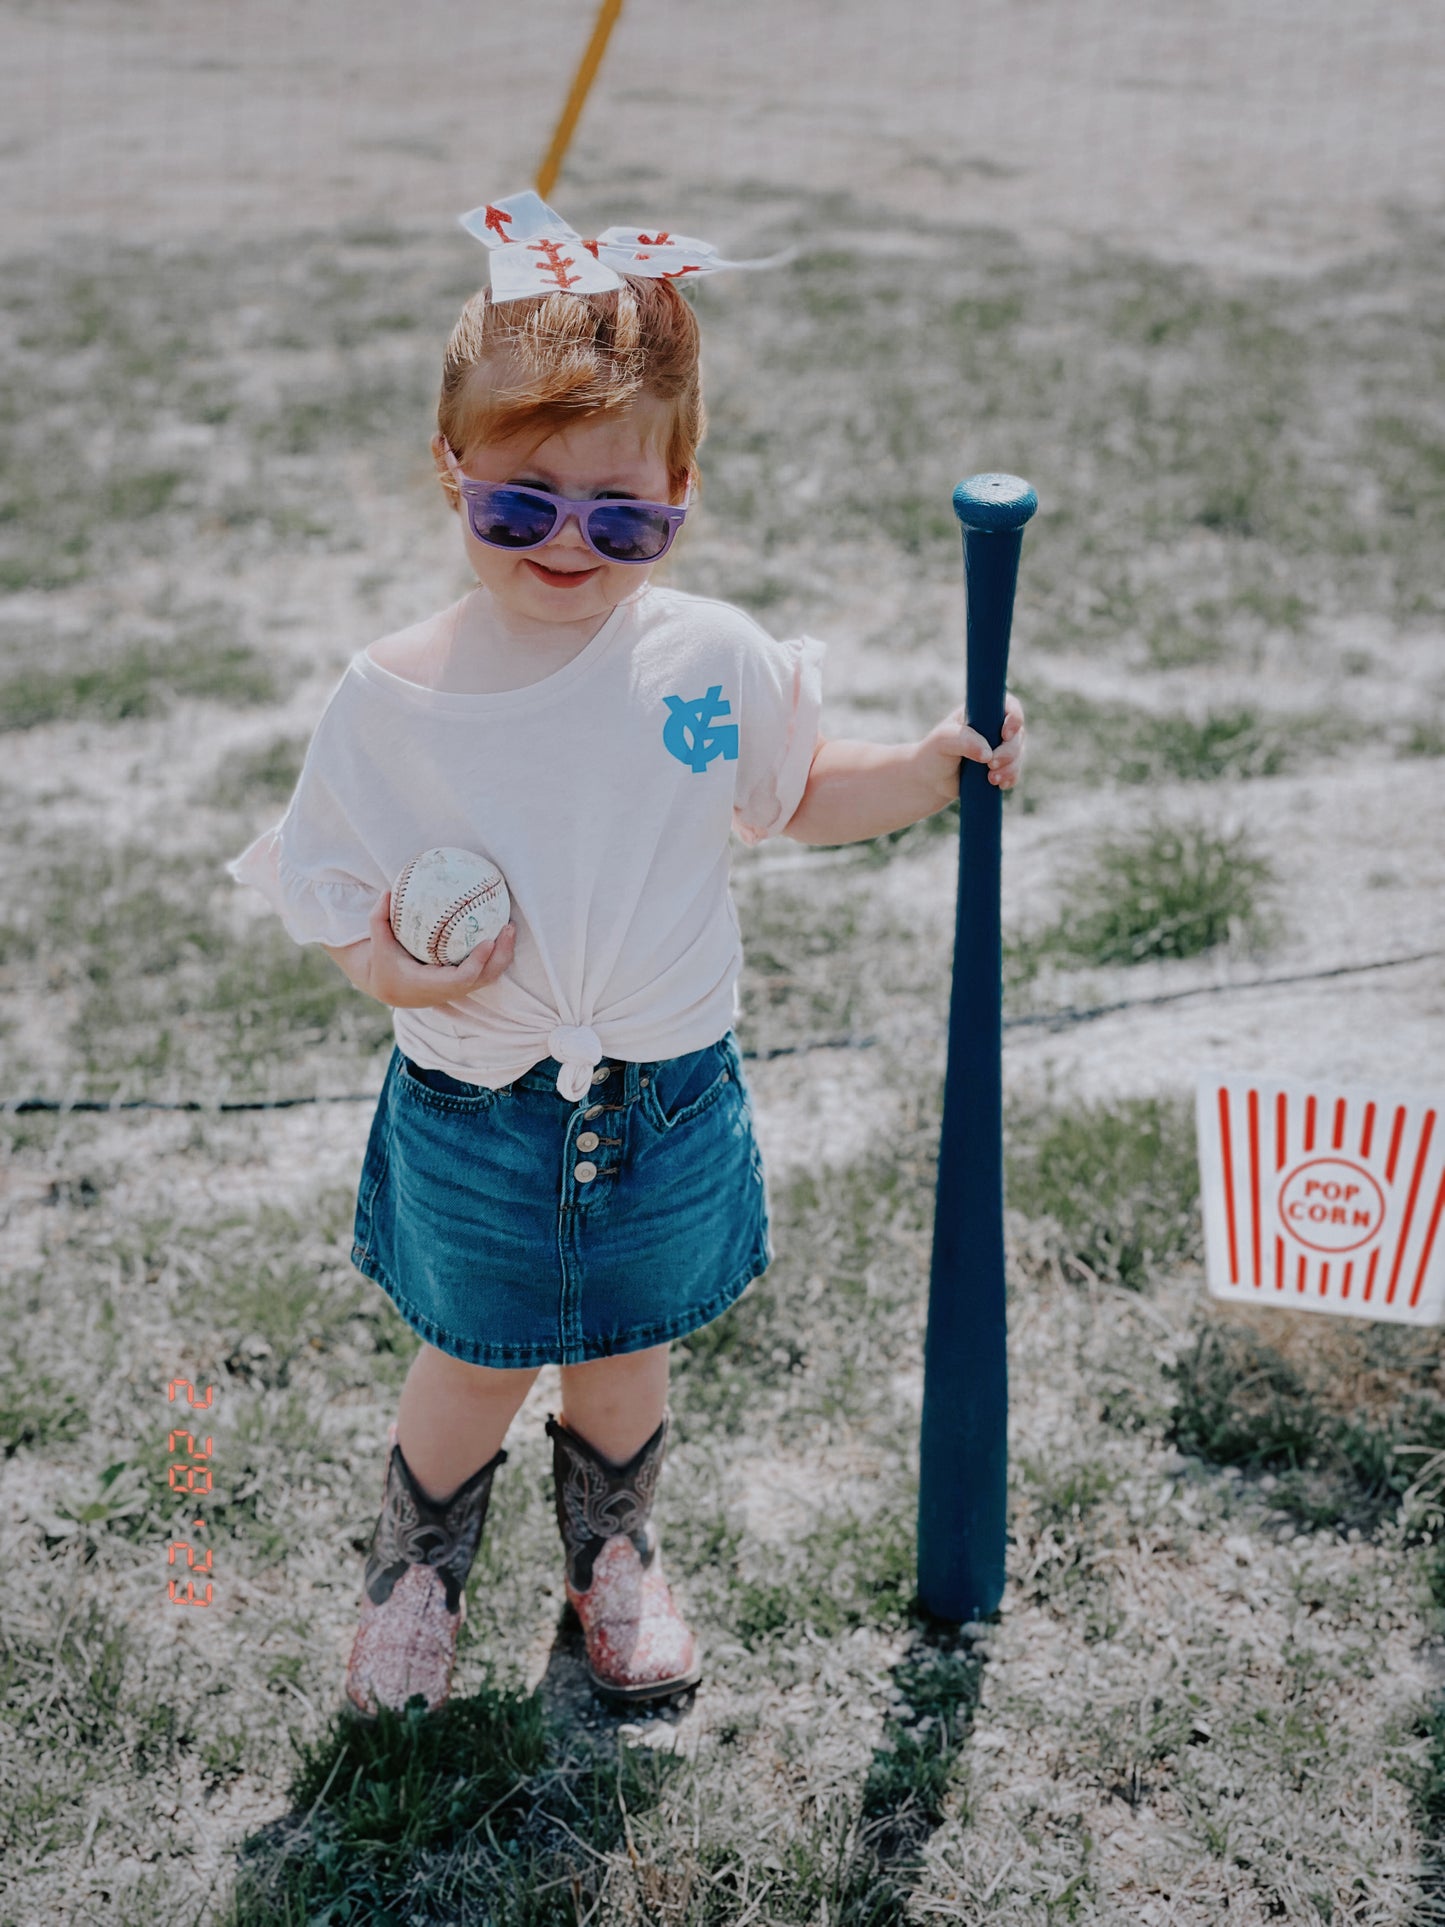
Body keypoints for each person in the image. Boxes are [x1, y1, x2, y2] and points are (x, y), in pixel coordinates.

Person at [228, 191, 1025, 1720]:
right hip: (477, 1101)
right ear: (449, 475)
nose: (568, 547)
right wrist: (405, 971)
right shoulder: (393, 697)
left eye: (623, 517)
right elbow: (332, 900)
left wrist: (926, 768)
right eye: (518, 507)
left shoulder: (706, 659)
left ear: (681, 493)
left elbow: (791, 794)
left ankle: (616, 1556)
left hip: (664, 1087)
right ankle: (415, 1574)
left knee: (627, 1351)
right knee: (473, 1358)